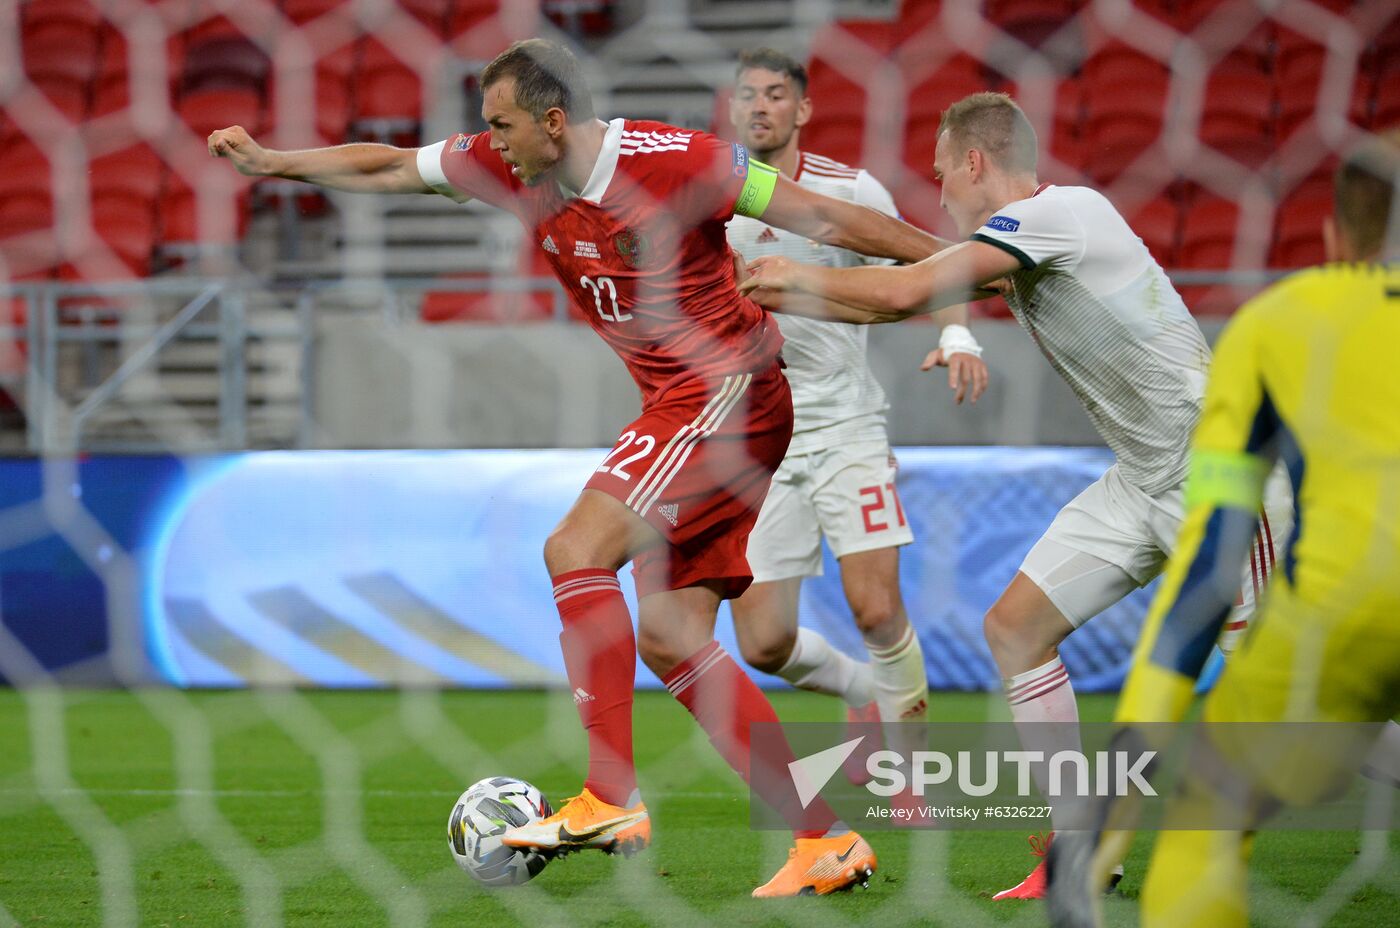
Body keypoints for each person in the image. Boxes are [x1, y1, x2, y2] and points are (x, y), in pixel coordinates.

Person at [210, 38, 953, 897]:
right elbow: (387, 169)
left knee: (573, 550)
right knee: (674, 639)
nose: (490, 142)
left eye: (504, 125)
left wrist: (960, 264)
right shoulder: (511, 165)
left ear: (554, 123)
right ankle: (824, 841)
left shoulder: (681, 162)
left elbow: (822, 216)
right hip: (683, 404)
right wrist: (273, 163)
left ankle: (611, 795)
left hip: (728, 392)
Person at [739, 90, 1290, 898]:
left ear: (974, 163)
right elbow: (916, 279)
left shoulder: (1065, 212)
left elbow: (904, 291)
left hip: (1215, 479)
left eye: (940, 175)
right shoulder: (1023, 243)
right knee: (1015, 629)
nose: (939, 195)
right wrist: (786, 264)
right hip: (1141, 481)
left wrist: (796, 279)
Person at [1046, 130, 1400, 928]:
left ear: (1333, 238)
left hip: (1344, 610)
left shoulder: (1277, 324)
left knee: (1206, 819)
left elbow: (1212, 561)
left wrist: (1114, 802)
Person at [724, 48, 988, 769]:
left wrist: (958, 332)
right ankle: (866, 694)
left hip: (845, 426)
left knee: (875, 609)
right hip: (754, 444)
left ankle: (911, 771)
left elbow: (927, 264)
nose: (759, 106)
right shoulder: (708, 197)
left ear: (803, 110)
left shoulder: (851, 192)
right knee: (763, 644)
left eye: (776, 94)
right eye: (747, 94)